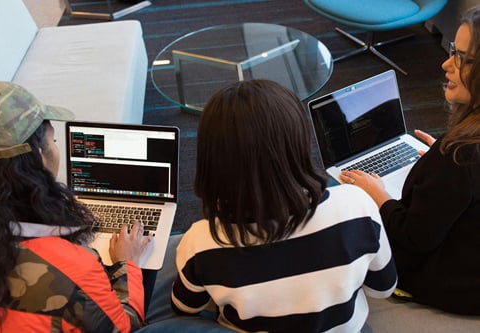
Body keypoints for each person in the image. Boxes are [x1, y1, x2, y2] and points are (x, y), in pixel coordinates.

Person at [170, 79, 397, 332]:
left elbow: (184, 307)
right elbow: (383, 288)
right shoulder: (358, 205)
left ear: (212, 159)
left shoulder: (201, 242)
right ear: (299, 143)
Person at [339, 6, 480, 315]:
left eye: (463, 59)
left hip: (457, 285)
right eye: (453, 51)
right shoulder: (460, 155)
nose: (446, 64)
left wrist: (378, 195)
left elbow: (414, 240)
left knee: (346, 216)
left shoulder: (459, 156)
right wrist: (438, 170)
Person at [0, 81, 151, 332]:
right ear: (38, 157)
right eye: (54, 140)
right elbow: (123, 326)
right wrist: (128, 264)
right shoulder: (74, 273)